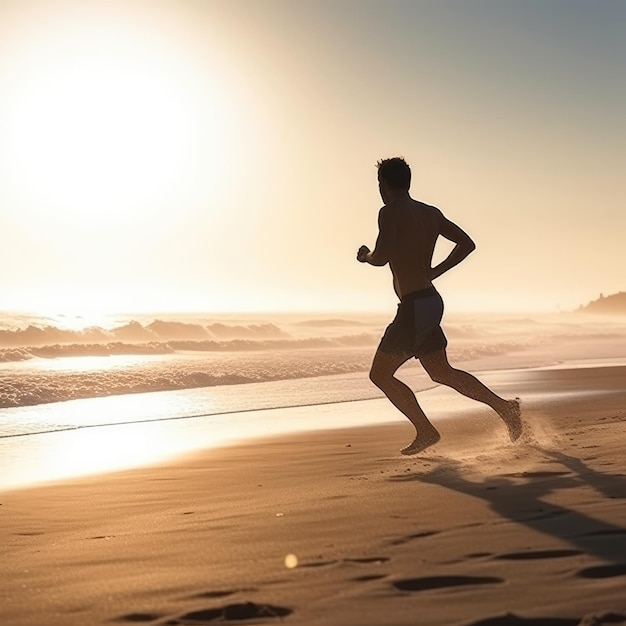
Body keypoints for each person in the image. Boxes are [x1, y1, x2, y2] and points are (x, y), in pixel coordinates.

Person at [357, 157, 522, 455]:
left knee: (380, 375)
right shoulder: (429, 213)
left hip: (416, 306)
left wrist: (366, 255)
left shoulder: (390, 212)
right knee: (441, 372)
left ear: (384, 184)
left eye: (379, 184)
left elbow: (381, 258)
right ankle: (505, 409)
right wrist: (434, 271)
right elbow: (467, 244)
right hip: (429, 301)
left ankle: (426, 430)